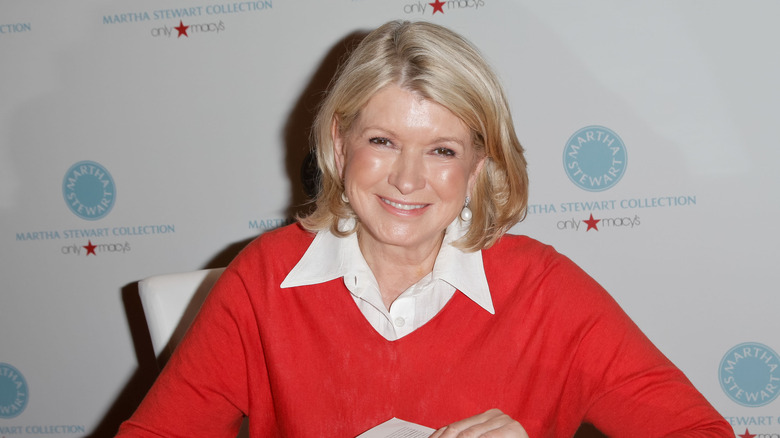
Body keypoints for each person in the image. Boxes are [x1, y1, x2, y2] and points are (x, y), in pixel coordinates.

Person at [117, 20, 732, 437]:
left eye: (441, 150)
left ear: (479, 164)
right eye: (382, 141)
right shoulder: (265, 277)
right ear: (339, 142)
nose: (407, 180)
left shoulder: (544, 290)